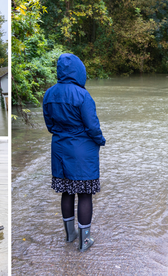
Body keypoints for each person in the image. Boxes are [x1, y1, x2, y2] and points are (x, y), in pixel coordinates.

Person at [43, 53, 106, 252]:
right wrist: (100, 140)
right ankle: (84, 240)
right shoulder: (82, 95)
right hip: (82, 151)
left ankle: (70, 234)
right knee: (85, 193)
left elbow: (50, 125)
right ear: (79, 71)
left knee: (67, 191)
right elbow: (92, 126)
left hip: (60, 149)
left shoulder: (49, 94)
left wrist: (63, 133)